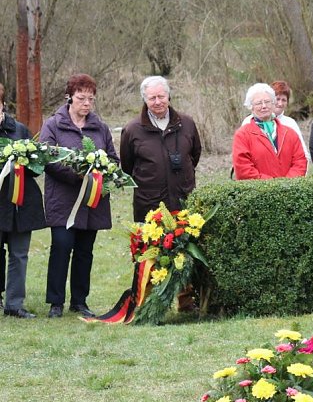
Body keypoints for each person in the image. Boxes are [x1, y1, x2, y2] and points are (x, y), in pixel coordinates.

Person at [41, 73, 118, 319]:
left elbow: (114, 160)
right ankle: (55, 302)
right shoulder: (53, 124)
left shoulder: (101, 128)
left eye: (90, 99)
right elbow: (48, 158)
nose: (86, 103)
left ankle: (79, 301)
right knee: (62, 247)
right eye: (81, 98)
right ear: (70, 97)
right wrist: (78, 174)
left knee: (85, 251)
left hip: (92, 201)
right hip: (63, 199)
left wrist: (103, 170)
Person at [120, 76, 202, 222]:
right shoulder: (132, 130)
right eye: (152, 98)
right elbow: (128, 166)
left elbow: (195, 155)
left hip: (184, 201)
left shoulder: (187, 123)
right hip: (149, 205)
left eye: (161, 96)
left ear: (168, 96)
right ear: (144, 100)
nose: (157, 102)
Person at [0, 83, 45, 318]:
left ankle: (14, 304)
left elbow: (38, 168)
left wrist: (26, 160)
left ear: (3, 104)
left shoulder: (19, 130)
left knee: (19, 254)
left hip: (20, 204)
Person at [233, 83, 307, 179]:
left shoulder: (290, 133)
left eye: (267, 101)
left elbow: (300, 161)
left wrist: (287, 185)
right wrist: (272, 186)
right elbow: (243, 170)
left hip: (291, 191)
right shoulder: (242, 135)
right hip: (258, 193)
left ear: (273, 103)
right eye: (259, 103)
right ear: (251, 107)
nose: (264, 106)